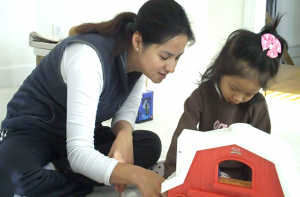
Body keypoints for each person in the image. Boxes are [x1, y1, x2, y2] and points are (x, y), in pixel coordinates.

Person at [0, 0, 195, 196]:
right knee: (10, 180)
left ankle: (57, 172)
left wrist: (124, 134)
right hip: (34, 131)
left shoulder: (139, 63)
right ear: (137, 41)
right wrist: (136, 175)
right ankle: (80, 179)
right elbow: (79, 152)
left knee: (150, 144)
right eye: (164, 57)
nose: (172, 68)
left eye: (177, 57)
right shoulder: (88, 58)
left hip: (77, 132)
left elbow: (127, 109)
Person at [164, 15, 288, 180]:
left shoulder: (257, 106)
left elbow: (263, 153)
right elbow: (182, 136)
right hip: (203, 167)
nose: (238, 97)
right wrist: (171, 174)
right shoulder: (202, 95)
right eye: (233, 88)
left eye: (249, 94)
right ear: (221, 70)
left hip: (240, 176)